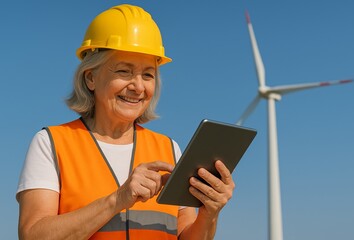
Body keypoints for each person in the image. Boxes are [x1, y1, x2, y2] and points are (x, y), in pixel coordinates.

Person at [16, 4, 235, 240]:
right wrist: (118, 199)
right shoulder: (52, 143)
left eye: (148, 74)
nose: (138, 87)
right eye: (124, 71)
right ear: (91, 77)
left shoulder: (169, 149)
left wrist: (209, 213)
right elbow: (33, 235)